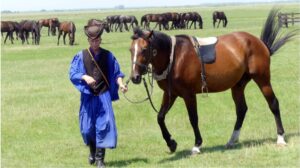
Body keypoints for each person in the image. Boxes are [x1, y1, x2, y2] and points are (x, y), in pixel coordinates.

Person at [69, 24, 128, 168]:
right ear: (88, 41)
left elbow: (116, 73)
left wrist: (120, 84)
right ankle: (92, 151)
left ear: (100, 40)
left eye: (97, 40)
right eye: (92, 40)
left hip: (103, 96)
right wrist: (84, 76)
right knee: (87, 128)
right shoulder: (81, 55)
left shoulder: (108, 55)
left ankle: (100, 159)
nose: (95, 43)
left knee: (103, 126)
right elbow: (73, 73)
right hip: (88, 97)